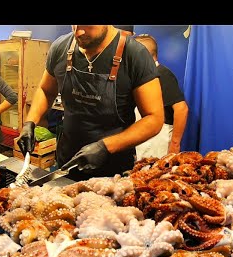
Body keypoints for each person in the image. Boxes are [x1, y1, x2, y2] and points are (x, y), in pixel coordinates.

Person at [17, 25, 164, 181]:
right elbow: (46, 90)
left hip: (113, 171)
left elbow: (154, 118)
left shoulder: (135, 55)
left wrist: (105, 147)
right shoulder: (61, 48)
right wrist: (30, 122)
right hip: (67, 164)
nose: (78, 32)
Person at [133, 34, 189, 157]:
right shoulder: (143, 76)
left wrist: (174, 145)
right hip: (144, 142)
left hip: (158, 144)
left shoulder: (162, 75)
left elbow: (182, 109)